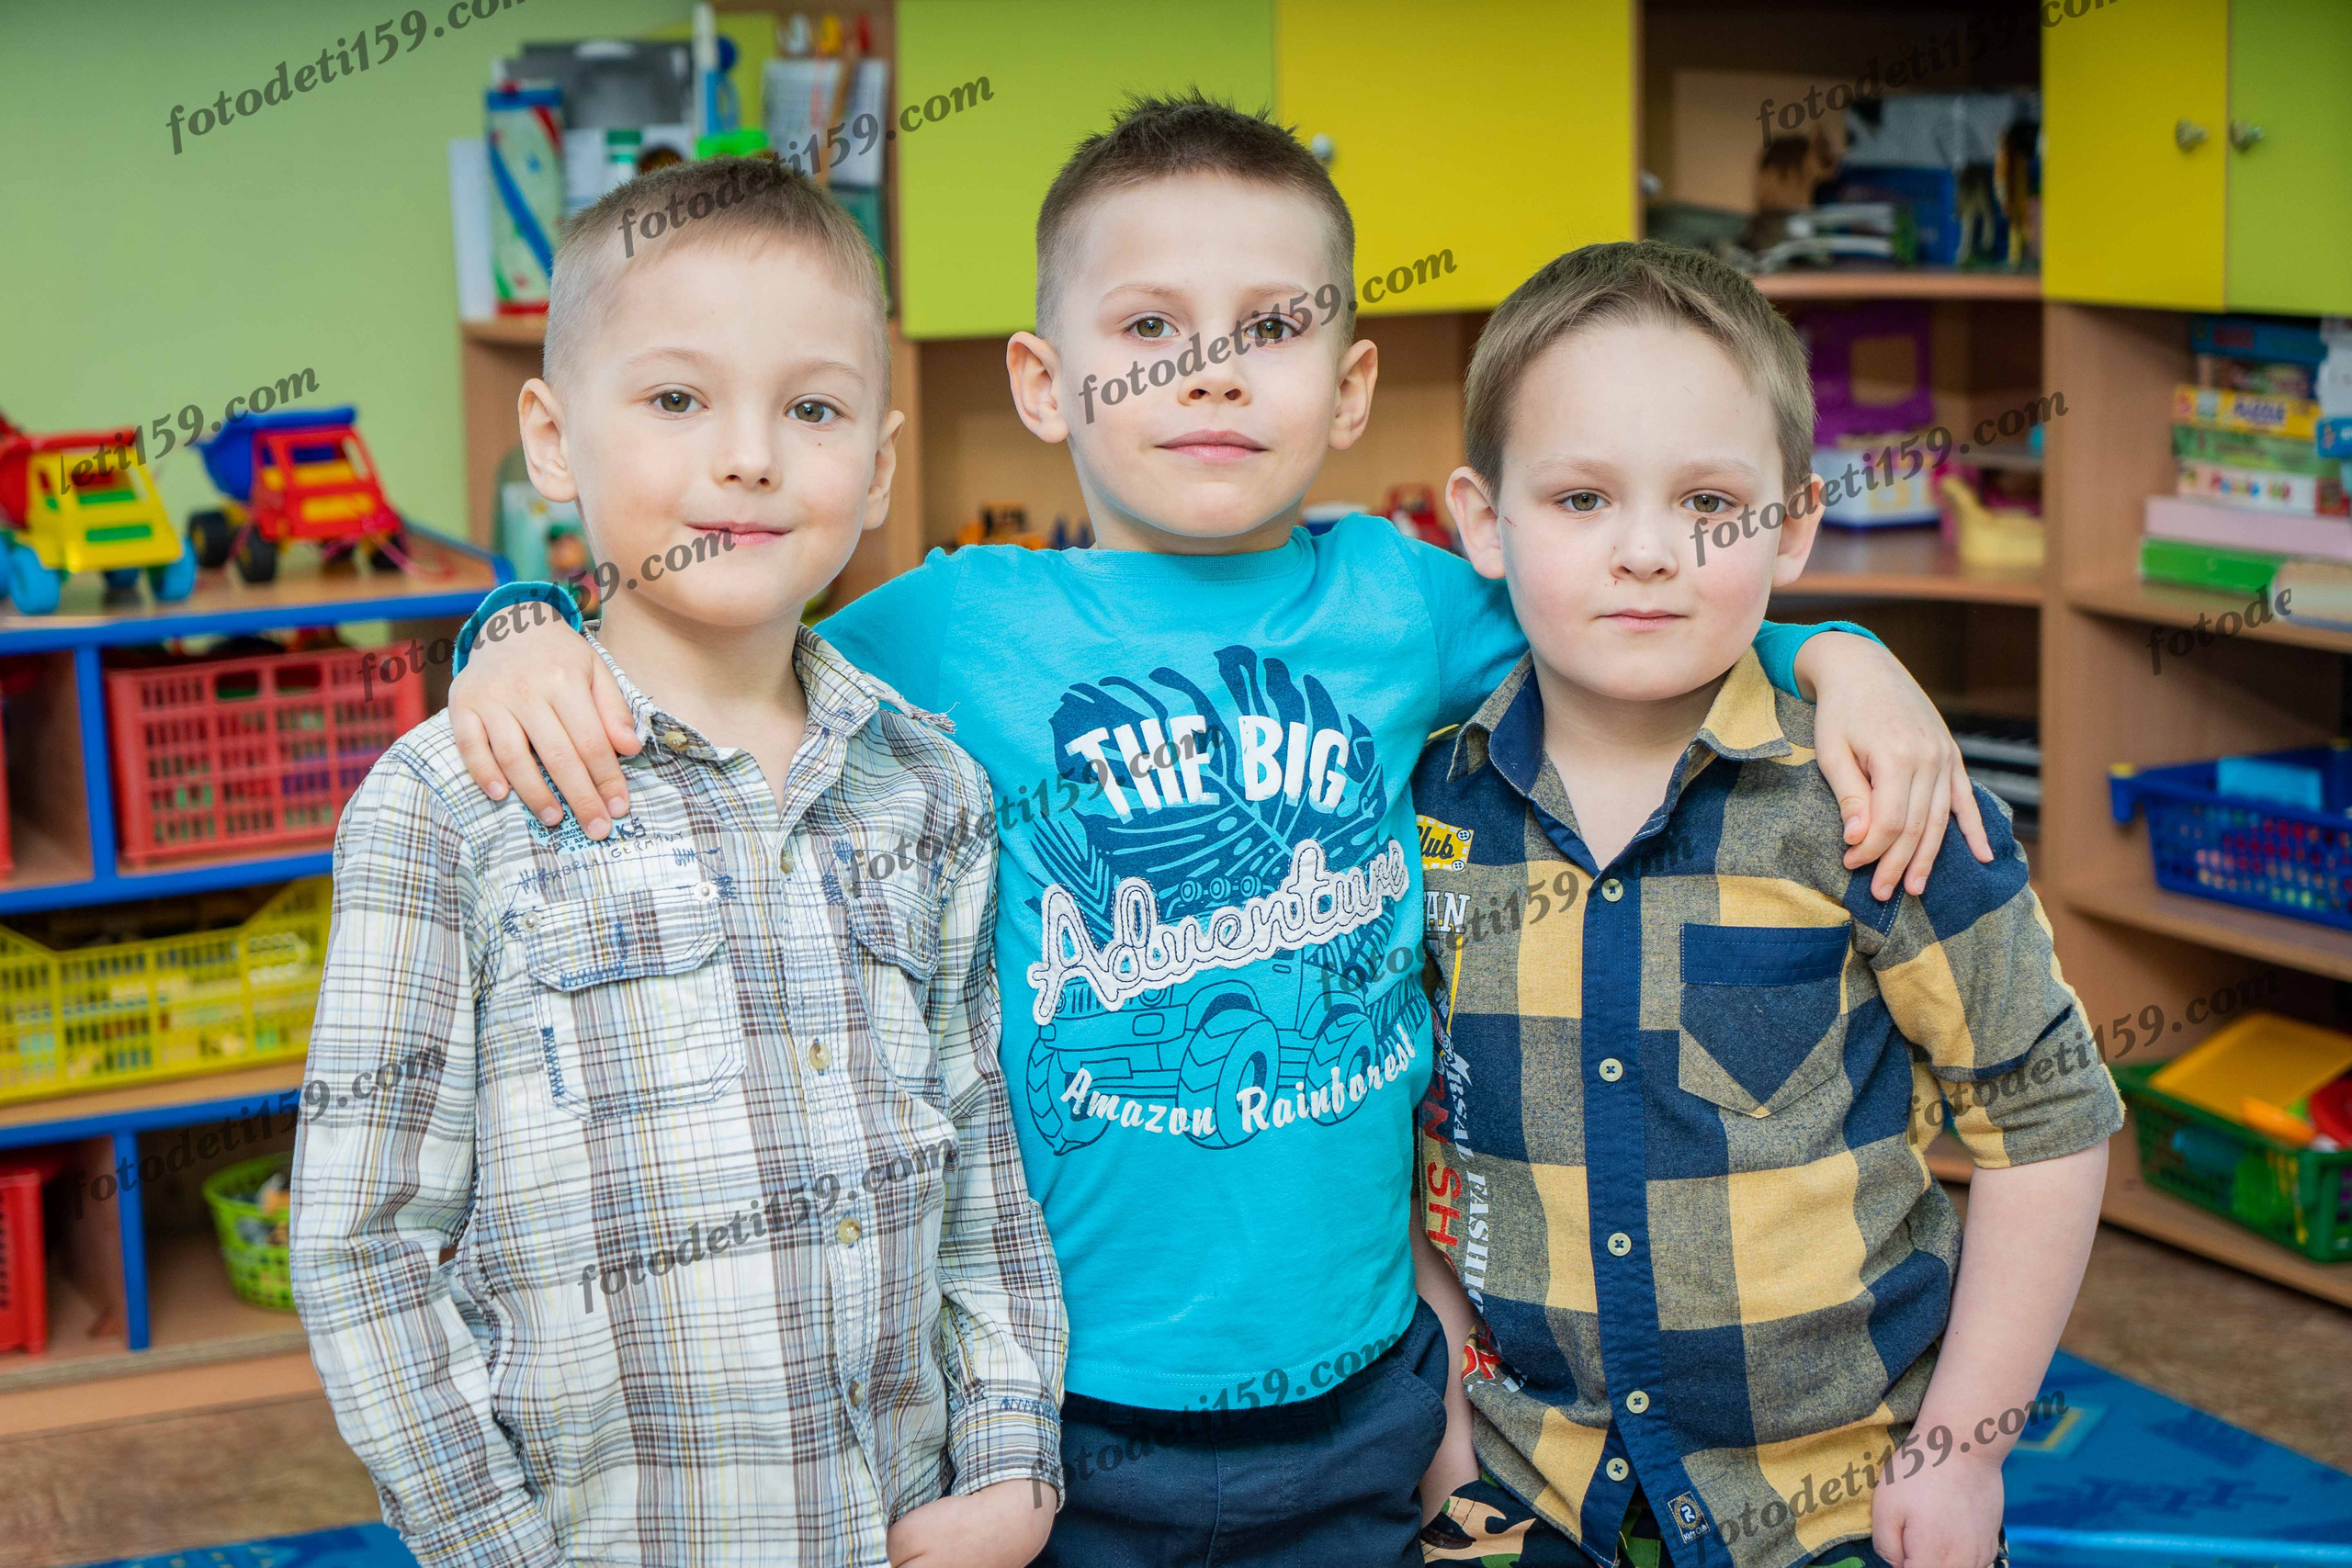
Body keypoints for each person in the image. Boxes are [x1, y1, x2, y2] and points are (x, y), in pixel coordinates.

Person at [439, 98, 1987, 1566]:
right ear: (1046, 383)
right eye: (1148, 331)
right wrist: (513, 624)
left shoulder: (1401, 596)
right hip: (1065, 1403)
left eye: (1271, 329)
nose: (1212, 372)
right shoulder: (953, 624)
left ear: (1353, 387)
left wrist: (1829, 651)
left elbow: (1632, 606)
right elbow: (698, 629)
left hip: (1370, 1385)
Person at [290, 157, 1066, 1568]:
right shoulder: (449, 805)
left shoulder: (934, 790)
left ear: (881, 464)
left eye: (813, 409)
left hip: (905, 1529)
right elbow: (364, 1246)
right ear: (550, 435)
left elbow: (985, 1172)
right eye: (674, 400)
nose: (750, 456)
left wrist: (1013, 1461)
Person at [1409, 241, 2118, 1568]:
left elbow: (2050, 1115)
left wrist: (1967, 1451)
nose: (1647, 553)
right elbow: (1401, 1139)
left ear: (1793, 524)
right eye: (1579, 498)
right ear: (1482, 519)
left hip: (1838, 1507)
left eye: (1710, 505)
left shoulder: (1878, 799)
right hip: (1526, 1494)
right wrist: (1451, 1440)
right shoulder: (1428, 810)